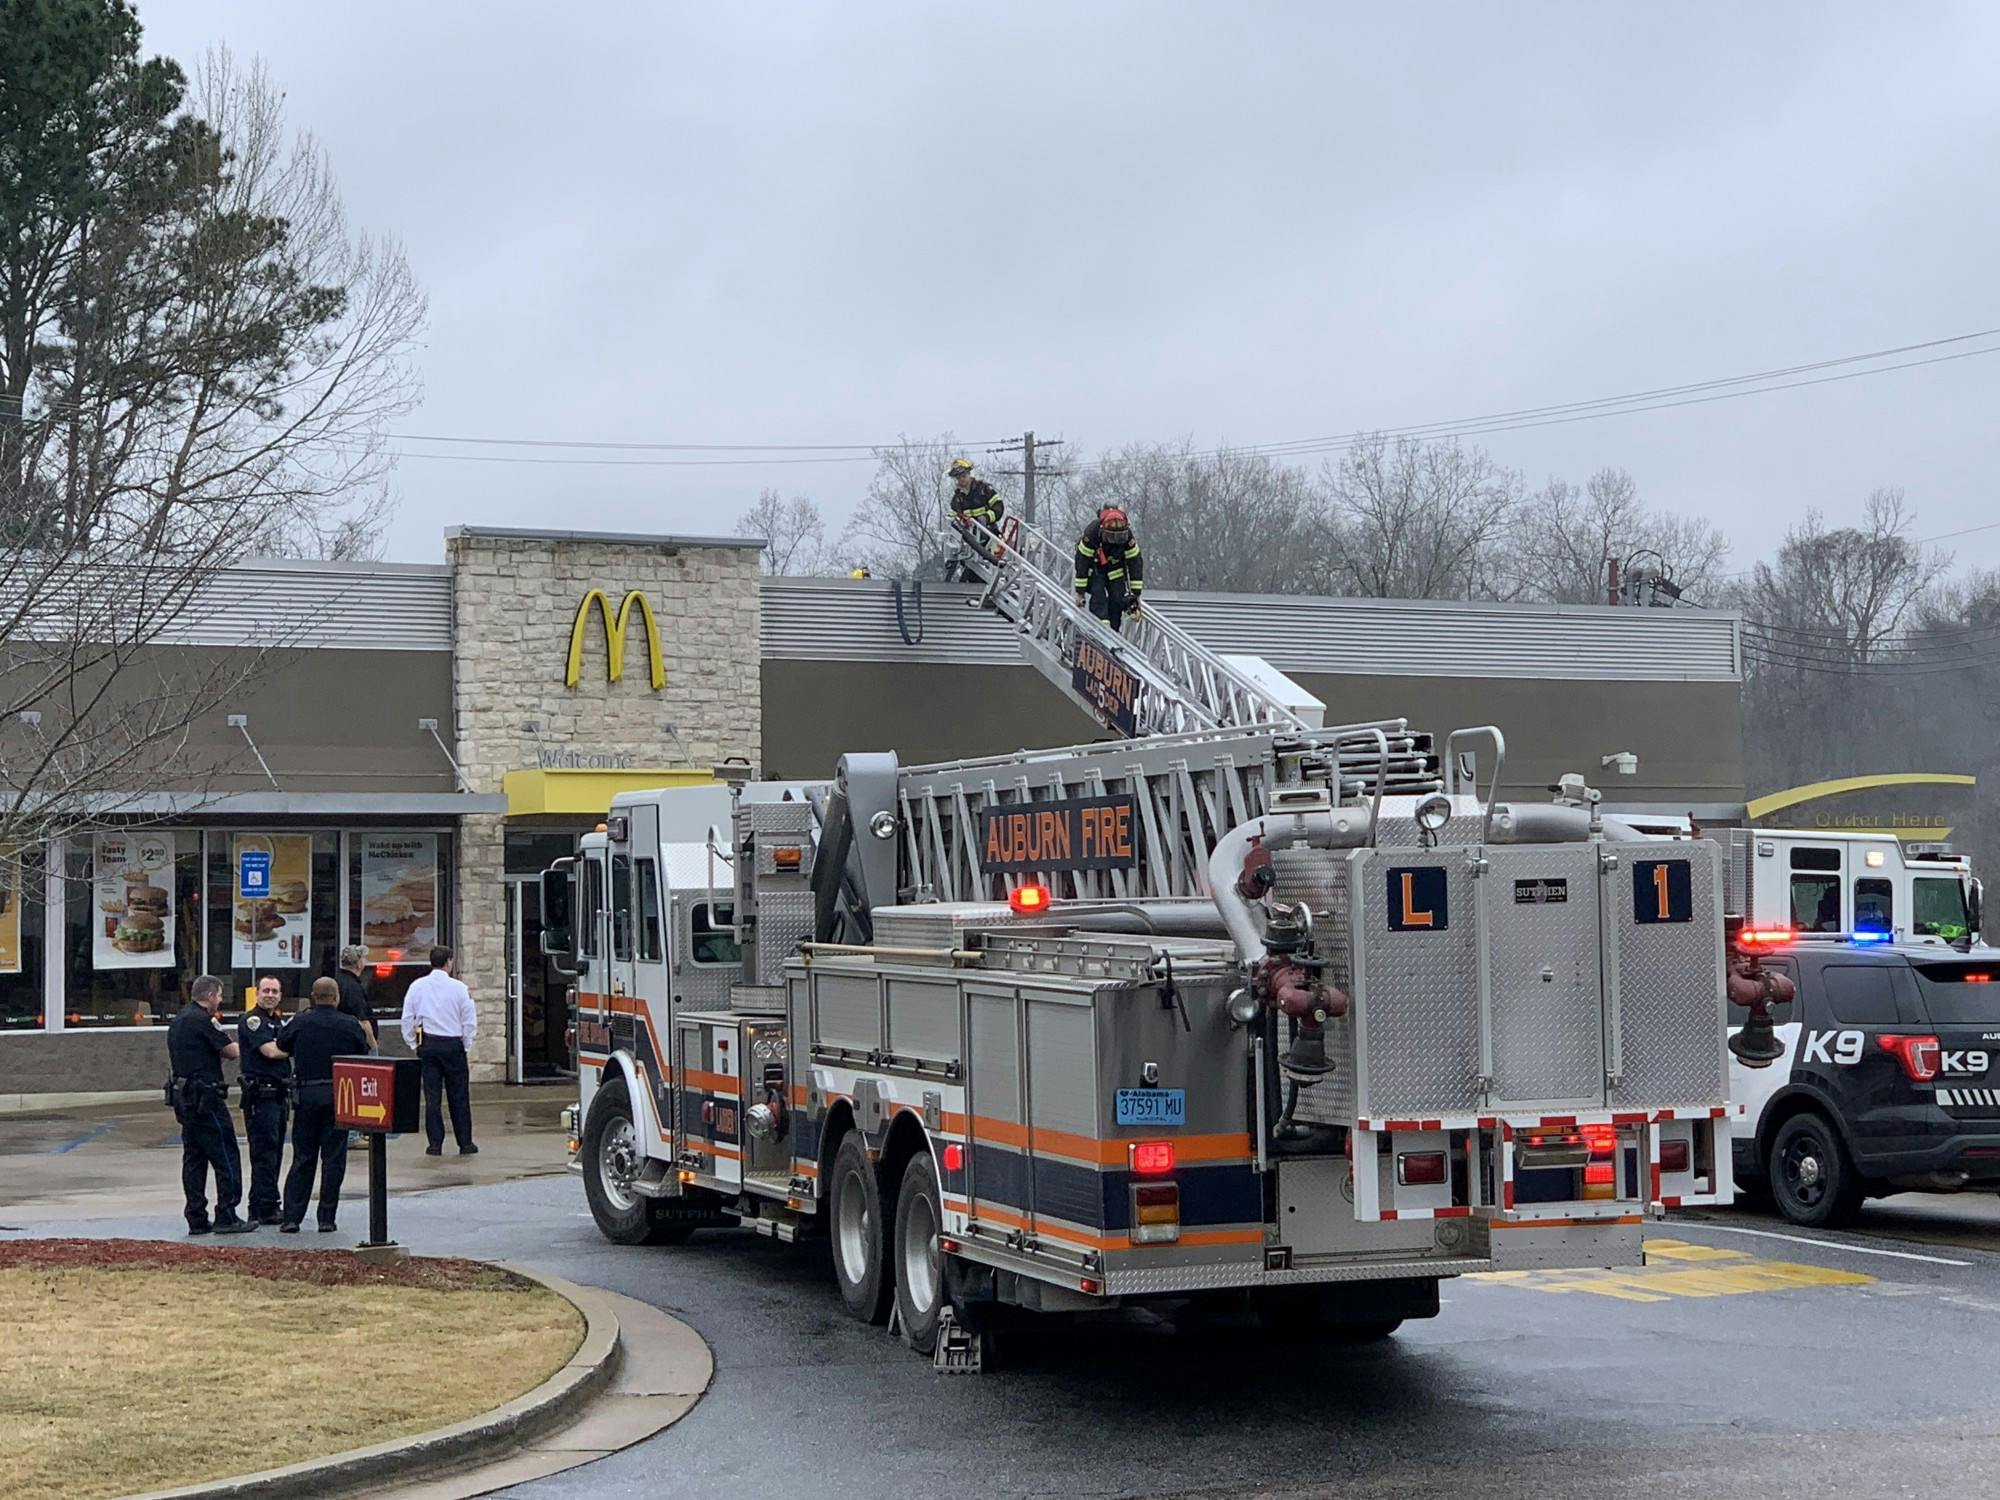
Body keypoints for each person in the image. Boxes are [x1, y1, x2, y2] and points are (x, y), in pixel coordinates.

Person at [263, 976, 369, 1233]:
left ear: (313, 996)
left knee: (303, 1157)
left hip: (307, 1095)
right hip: (338, 1095)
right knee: (333, 1159)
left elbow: (282, 1045)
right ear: (336, 998)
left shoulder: (301, 1021)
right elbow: (363, 1053)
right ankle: (327, 1218)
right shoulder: (349, 1024)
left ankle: (292, 1217)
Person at [166, 976, 254, 1236]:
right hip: (206, 1099)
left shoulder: (179, 1020)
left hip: (185, 1098)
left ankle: (196, 1217)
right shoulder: (203, 1020)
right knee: (225, 1154)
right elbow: (231, 1051)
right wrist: (249, 1042)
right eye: (219, 995)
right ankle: (227, 1215)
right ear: (211, 995)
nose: (220, 1000)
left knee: (194, 1158)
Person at [400, 946, 479, 1156]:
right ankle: (465, 1142)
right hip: (453, 1045)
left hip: (429, 1045)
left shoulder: (417, 986)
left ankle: (435, 1144)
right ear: (449, 962)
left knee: (432, 1097)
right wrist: (466, 1044)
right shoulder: (460, 988)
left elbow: (407, 1017)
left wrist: (413, 1042)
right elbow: (469, 1020)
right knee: (459, 1096)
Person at [236, 976, 292, 1226]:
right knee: (264, 1153)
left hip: (279, 1095)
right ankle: (264, 1207)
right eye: (266, 990)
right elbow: (270, 1051)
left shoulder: (278, 1021)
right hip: (262, 1096)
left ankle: (264, 1204)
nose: (270, 994)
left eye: (275, 991)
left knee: (275, 1152)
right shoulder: (253, 1020)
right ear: (256, 993)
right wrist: (296, 1047)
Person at [1073, 505, 1145, 632]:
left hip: (1115, 569)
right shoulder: (1092, 533)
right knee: (1098, 596)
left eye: (1119, 537)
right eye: (1112, 537)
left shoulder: (1128, 536)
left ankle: (1114, 631)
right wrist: (1080, 592)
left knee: (1118, 600)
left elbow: (1135, 564)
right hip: (1095, 568)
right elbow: (1082, 563)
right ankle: (1102, 631)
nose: (1115, 541)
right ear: (1102, 530)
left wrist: (1136, 595)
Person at [334, 945, 379, 1051]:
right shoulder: (353, 987)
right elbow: (362, 1021)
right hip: (354, 1045)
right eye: (364, 959)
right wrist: (373, 1047)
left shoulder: (337, 980)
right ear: (359, 964)